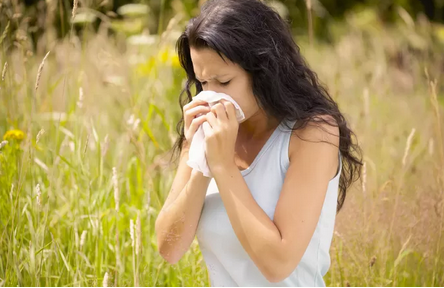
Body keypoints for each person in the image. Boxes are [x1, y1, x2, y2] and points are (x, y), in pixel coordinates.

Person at [155, 0, 363, 286]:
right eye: (203, 82)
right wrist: (202, 164)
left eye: (224, 82)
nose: (211, 97)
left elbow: (278, 264)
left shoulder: (311, 134)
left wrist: (223, 166)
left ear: (264, 72)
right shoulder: (205, 132)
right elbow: (169, 249)